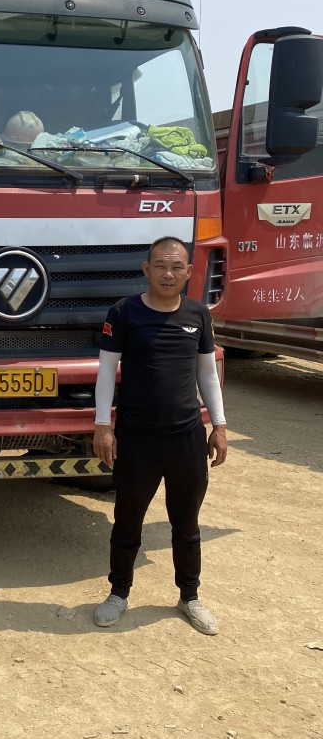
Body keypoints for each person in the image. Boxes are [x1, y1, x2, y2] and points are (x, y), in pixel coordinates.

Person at [92, 236, 227, 635]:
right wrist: (103, 425)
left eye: (177, 267)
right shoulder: (124, 312)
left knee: (186, 523)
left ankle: (190, 597)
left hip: (186, 436)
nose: (168, 274)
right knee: (127, 520)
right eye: (161, 266)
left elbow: (207, 373)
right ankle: (118, 593)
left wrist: (219, 425)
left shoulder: (198, 314)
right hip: (137, 436)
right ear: (146, 269)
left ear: (188, 272)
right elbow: (106, 370)